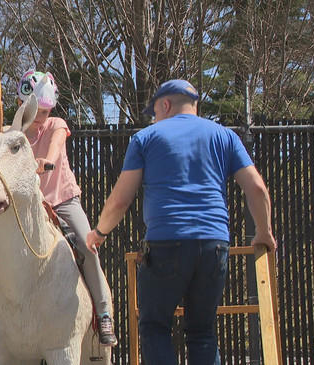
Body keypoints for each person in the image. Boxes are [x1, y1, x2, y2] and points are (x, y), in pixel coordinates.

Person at [85, 79, 276, 363]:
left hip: (166, 244)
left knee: (154, 326)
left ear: (165, 105)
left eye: (155, 112)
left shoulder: (147, 138)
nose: (155, 118)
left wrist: (99, 232)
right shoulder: (225, 137)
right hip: (214, 245)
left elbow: (120, 200)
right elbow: (257, 188)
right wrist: (264, 232)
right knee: (202, 331)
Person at [16, 69, 118, 347]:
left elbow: (55, 147)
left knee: (88, 245)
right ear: (21, 106)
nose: (41, 117)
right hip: (30, 205)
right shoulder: (15, 134)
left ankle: (103, 311)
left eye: (46, 111)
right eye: (36, 110)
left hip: (62, 201)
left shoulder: (57, 125)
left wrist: (44, 162)